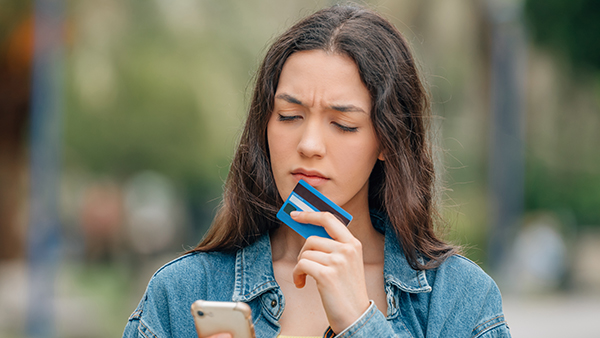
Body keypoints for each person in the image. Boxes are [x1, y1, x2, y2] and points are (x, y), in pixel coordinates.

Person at [123, 4, 511, 338]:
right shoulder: (182, 292)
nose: (309, 144)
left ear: (387, 143)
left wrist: (360, 321)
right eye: (290, 116)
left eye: (343, 124)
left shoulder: (459, 298)